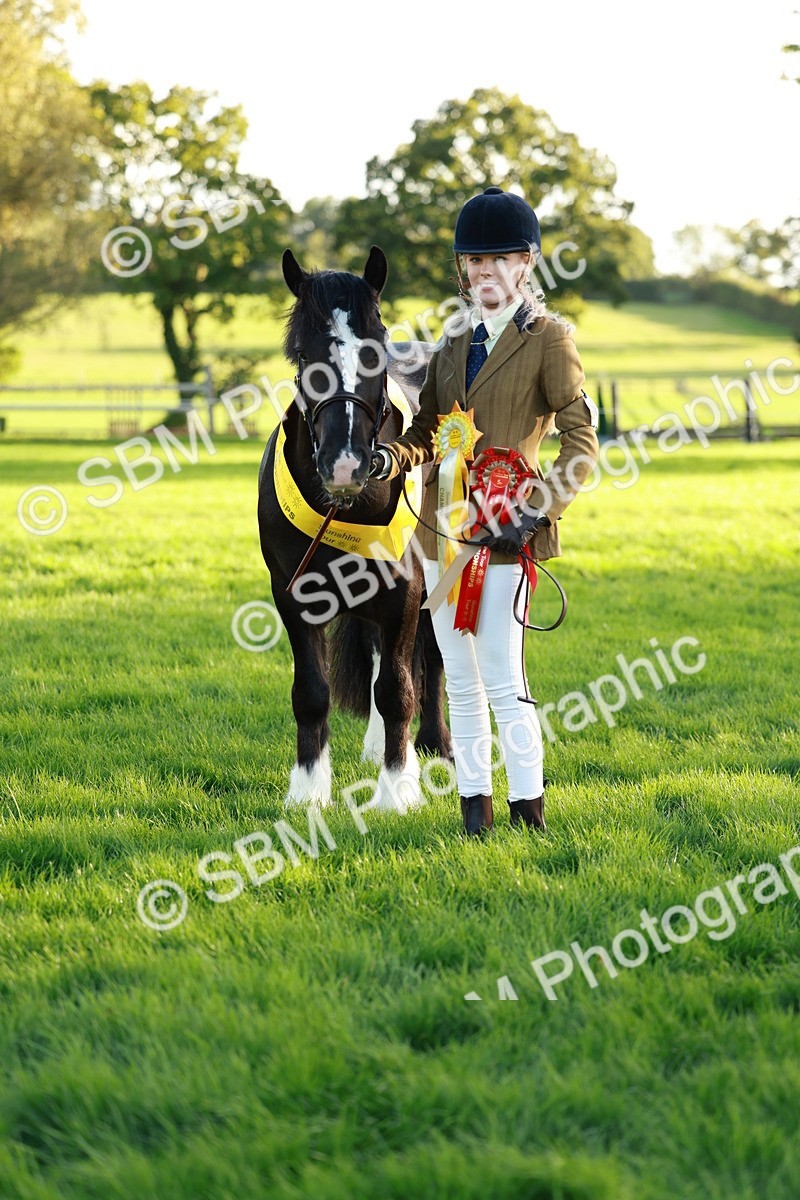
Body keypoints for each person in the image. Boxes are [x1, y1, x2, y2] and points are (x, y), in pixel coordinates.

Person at [370, 186, 599, 836]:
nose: (485, 271)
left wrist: (537, 509)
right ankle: (475, 811)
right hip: (441, 535)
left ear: (525, 263)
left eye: (499, 259)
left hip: (504, 533)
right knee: (460, 683)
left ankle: (529, 812)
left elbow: (582, 443)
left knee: (502, 676)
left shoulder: (550, 340)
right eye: (474, 260)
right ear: (463, 268)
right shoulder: (453, 340)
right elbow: (429, 430)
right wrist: (392, 458)